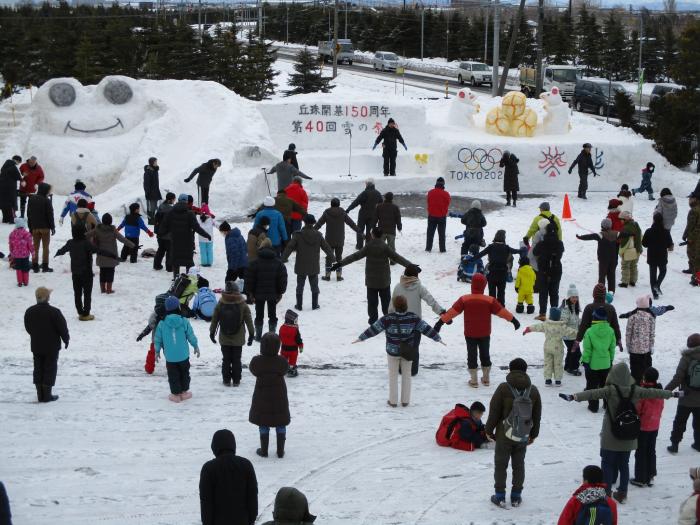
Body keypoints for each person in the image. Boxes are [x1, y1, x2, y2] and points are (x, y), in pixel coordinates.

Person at [560, 362, 675, 504]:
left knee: (607, 463)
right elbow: (654, 393)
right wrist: (672, 394)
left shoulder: (610, 390)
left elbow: (592, 393)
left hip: (611, 433)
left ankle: (606, 493)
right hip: (629, 432)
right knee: (624, 464)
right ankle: (622, 493)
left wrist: (574, 397)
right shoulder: (637, 390)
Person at [353, 295, 443, 407]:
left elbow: (374, 329)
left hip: (392, 351)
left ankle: (393, 401)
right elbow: (425, 328)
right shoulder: (413, 317)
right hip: (407, 351)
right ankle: (405, 401)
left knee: (393, 375)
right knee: (407, 375)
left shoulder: (387, 319)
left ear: (395, 306)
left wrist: (361, 338)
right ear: (406, 306)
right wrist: (437, 338)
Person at [436, 273, 520, 388]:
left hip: (470, 333)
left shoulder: (464, 299)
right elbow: (502, 312)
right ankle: (486, 379)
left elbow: (452, 312)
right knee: (485, 354)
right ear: (484, 285)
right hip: (485, 333)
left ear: (473, 285)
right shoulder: (490, 300)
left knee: (472, 355)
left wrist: (440, 323)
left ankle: (474, 380)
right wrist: (514, 320)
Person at [485, 358, 542, 508]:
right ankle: (516, 496)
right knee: (519, 464)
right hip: (523, 434)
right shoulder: (533, 390)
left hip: (504, 433)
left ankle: (500, 496)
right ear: (525, 370)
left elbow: (494, 411)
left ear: (510, 370)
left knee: (501, 464)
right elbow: (537, 415)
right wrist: (533, 434)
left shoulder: (503, 388)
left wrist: (489, 430)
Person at [330, 227, 414, 325]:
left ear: (373, 235)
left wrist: (339, 264)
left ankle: (373, 321)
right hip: (384, 280)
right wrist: (410, 266)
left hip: (371, 281)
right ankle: (388, 321)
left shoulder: (368, 246)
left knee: (372, 303)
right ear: (381, 235)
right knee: (386, 303)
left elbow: (354, 257)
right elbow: (397, 258)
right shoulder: (385, 247)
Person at [388, 265, 444, 376]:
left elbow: (391, 307)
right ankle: (412, 370)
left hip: (399, 323)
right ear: (416, 276)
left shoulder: (398, 287)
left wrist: (391, 319)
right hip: (415, 324)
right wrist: (441, 312)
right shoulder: (419, 287)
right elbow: (430, 300)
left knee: (400, 345)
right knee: (414, 347)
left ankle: (401, 369)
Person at [55, 226, 117, 321]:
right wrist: (112, 255)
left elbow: (62, 250)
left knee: (77, 293)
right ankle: (86, 313)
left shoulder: (70, 242)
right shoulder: (86, 243)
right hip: (86, 273)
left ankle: (80, 312)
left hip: (75, 272)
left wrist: (58, 253)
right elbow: (98, 251)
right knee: (87, 294)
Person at [199, 429, 258, 525]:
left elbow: (206, 501)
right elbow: (252, 496)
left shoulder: (208, 468)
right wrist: (251, 520)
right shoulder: (246, 465)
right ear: (233, 445)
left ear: (214, 447)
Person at [24, 286, 69, 403]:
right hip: (51, 346)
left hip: (36, 345)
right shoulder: (54, 312)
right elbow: (62, 328)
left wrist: (36, 335)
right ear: (48, 297)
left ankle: (40, 394)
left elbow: (28, 328)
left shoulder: (29, 311)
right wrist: (66, 339)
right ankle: (47, 395)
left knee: (38, 368)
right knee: (50, 368)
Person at [249, 333, 290, 459]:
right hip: (279, 396)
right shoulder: (282, 361)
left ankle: (264, 450)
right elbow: (285, 370)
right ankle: (280, 451)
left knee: (263, 422)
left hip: (262, 395)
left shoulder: (257, 361)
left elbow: (253, 370)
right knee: (280, 422)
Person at [282, 214, 334, 311]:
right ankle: (315, 305)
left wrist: (283, 259)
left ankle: (299, 305)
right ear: (313, 222)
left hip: (301, 264)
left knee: (300, 285)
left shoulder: (298, 235)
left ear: (304, 222)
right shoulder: (318, 235)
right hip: (313, 265)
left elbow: (290, 247)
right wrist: (333, 258)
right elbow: (326, 247)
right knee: (314, 285)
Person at [154, 295, 200, 402]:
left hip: (170, 356)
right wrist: (195, 346)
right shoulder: (184, 321)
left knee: (173, 374)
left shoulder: (162, 323)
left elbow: (158, 339)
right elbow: (190, 335)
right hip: (183, 355)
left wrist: (157, 350)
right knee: (185, 373)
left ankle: (175, 394)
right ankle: (184, 392)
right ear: (178, 307)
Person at [210, 281, 254, 387]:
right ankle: (236, 380)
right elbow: (248, 320)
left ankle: (226, 380)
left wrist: (212, 332)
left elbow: (215, 319)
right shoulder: (242, 304)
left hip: (224, 337)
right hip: (238, 338)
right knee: (236, 359)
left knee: (226, 359)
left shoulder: (221, 303)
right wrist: (251, 334)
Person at [159, 194, 211, 277]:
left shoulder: (170, 213)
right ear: (187, 202)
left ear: (178, 200)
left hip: (175, 241)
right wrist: (206, 235)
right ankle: (188, 278)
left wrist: (161, 234)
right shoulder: (190, 214)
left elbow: (163, 227)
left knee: (176, 261)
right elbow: (197, 228)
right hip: (187, 242)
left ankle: (176, 278)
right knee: (188, 261)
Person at [523, 307, 577, 386]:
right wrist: (580, 333)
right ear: (559, 317)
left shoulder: (546, 324)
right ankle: (558, 380)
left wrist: (528, 329)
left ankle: (548, 380)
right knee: (558, 364)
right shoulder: (562, 326)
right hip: (558, 348)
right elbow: (571, 332)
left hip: (547, 347)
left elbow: (537, 327)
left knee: (548, 363)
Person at [246, 238, 288, 341]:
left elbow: (249, 279)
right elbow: (282, 279)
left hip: (258, 294)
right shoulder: (278, 263)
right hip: (273, 294)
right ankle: (272, 336)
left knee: (259, 315)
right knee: (272, 315)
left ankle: (259, 336)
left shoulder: (254, 263)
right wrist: (280, 292)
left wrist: (250, 293)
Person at [665, 333, 700, 454]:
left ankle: (674, 445)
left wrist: (666, 390)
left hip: (686, 396)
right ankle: (698, 444)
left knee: (679, 422)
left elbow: (678, 378)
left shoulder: (686, 357)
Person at [631, 367, 664, 488]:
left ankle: (640, 478)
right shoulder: (660, 391)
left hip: (643, 427)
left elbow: (638, 409)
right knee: (651, 450)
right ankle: (650, 475)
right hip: (655, 426)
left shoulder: (643, 392)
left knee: (641, 452)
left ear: (645, 377)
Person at [580, 307, 617, 413]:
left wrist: (585, 361)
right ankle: (606, 404)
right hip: (606, 363)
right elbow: (612, 347)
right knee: (605, 385)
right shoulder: (611, 330)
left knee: (592, 385)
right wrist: (611, 360)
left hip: (593, 364)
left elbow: (587, 349)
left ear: (595, 317)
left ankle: (593, 406)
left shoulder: (590, 331)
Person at [87, 213, 134, 294]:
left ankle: (102, 289)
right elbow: (122, 239)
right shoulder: (113, 230)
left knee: (102, 272)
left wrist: (77, 238)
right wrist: (133, 245)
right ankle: (109, 289)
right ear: (111, 221)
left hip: (101, 254)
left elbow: (87, 235)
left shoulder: (97, 229)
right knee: (110, 272)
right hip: (111, 256)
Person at [315, 197, 358, 281]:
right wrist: (359, 231)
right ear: (339, 204)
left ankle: (327, 276)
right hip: (340, 239)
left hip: (329, 240)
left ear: (331, 204)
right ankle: (339, 276)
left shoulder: (327, 213)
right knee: (339, 257)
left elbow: (319, 223)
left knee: (329, 257)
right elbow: (351, 223)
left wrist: (311, 230)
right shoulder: (343, 213)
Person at [475, 229, 522, 307]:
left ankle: (491, 305)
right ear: (504, 238)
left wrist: (469, 260)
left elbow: (480, 254)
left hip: (492, 272)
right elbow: (516, 251)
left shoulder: (491, 247)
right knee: (501, 291)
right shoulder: (506, 248)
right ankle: (501, 305)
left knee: (492, 291)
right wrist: (522, 250)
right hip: (502, 273)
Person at [576, 283, 622, 354]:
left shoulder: (589, 308)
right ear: (604, 295)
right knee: (605, 361)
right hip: (607, 342)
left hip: (592, 342)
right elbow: (615, 326)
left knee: (593, 361)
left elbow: (583, 326)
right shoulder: (610, 308)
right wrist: (618, 339)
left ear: (594, 294)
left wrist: (577, 340)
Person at [577, 218, 619, 294]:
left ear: (602, 226)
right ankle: (611, 291)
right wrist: (632, 234)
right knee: (612, 275)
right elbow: (625, 234)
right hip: (613, 259)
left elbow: (590, 236)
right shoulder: (615, 234)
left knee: (602, 275)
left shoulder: (600, 235)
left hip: (603, 259)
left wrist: (580, 237)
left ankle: (601, 291)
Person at [533, 222, 564, 320]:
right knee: (554, 292)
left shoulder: (542, 243)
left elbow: (535, 252)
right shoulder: (559, 243)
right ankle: (554, 315)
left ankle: (542, 314)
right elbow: (560, 253)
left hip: (544, 270)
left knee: (543, 292)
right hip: (556, 269)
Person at [642, 213, 674, 299]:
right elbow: (669, 244)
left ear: (654, 220)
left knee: (653, 274)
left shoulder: (649, 231)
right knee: (663, 271)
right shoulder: (666, 232)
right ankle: (657, 284)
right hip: (662, 255)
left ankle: (655, 294)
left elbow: (644, 244)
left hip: (652, 255)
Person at [346, 179, 382, 250]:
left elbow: (356, 202)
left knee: (360, 230)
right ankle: (368, 245)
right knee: (370, 231)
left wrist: (348, 209)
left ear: (367, 184)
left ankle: (359, 246)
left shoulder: (364, 193)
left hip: (363, 214)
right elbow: (382, 204)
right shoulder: (378, 193)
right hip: (373, 215)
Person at [27, 182, 55, 273]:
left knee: (35, 248)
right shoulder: (46, 200)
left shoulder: (31, 199)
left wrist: (30, 227)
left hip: (35, 227)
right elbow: (50, 215)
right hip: (45, 228)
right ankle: (45, 266)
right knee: (45, 247)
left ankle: (35, 266)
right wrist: (53, 227)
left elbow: (29, 215)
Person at [561, 285, 582, 376]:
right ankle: (573, 367)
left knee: (571, 351)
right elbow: (563, 323)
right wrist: (572, 331)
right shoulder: (566, 309)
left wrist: (583, 321)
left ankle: (567, 366)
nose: (575, 299)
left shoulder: (575, 307)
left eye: (576, 297)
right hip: (568, 336)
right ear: (569, 297)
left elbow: (576, 320)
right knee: (576, 352)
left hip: (574, 335)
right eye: (573, 297)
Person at [618, 211, 643, 288]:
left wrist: (621, 251)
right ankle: (633, 281)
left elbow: (624, 243)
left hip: (628, 251)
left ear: (625, 219)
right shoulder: (636, 224)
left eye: (621, 219)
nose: (620, 221)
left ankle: (625, 282)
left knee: (625, 266)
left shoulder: (626, 228)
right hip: (637, 249)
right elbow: (641, 236)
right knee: (634, 265)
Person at [425, 176, 451, 252]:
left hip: (432, 215)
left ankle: (428, 248)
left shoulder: (430, 192)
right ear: (443, 184)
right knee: (442, 234)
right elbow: (447, 203)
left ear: (436, 183)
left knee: (430, 233)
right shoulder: (446, 194)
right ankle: (442, 249)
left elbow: (428, 201)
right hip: (442, 216)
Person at [153, 192, 175, 272]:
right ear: (171, 199)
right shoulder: (171, 209)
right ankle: (169, 267)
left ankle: (157, 265)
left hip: (160, 233)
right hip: (168, 234)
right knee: (169, 251)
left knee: (161, 250)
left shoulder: (160, 207)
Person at [9, 218, 34, 287]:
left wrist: (11, 253)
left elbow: (11, 245)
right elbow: (30, 245)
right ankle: (25, 282)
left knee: (18, 268)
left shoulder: (12, 234)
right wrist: (33, 253)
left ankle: (20, 282)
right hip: (25, 255)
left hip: (16, 255)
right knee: (25, 268)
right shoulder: (27, 234)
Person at [279, 309, 303, 378]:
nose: (296, 322)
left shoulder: (282, 327)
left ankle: (283, 369)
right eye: (295, 320)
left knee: (283, 360)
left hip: (284, 348)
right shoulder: (295, 329)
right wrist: (301, 347)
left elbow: (279, 337)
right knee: (292, 361)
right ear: (291, 320)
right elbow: (298, 339)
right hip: (293, 350)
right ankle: (292, 370)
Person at [683, 195, 700, 286]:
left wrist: (689, 236)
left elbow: (693, 226)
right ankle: (692, 270)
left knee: (695, 257)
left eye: (691, 198)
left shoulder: (694, 210)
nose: (689, 200)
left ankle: (696, 279)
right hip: (696, 237)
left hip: (696, 239)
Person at [0, 155, 21, 223]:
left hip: (2, 189)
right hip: (10, 189)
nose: (18, 164)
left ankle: (5, 219)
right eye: (19, 162)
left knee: (4, 203)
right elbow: (18, 177)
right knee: (12, 203)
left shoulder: (4, 166)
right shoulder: (13, 167)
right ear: (16, 160)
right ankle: (12, 219)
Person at [143, 157, 161, 223]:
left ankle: (153, 219)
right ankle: (151, 220)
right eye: (155, 162)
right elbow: (146, 184)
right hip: (150, 193)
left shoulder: (155, 170)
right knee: (151, 207)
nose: (156, 163)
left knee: (154, 206)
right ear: (152, 163)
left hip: (155, 191)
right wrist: (147, 193)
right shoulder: (148, 172)